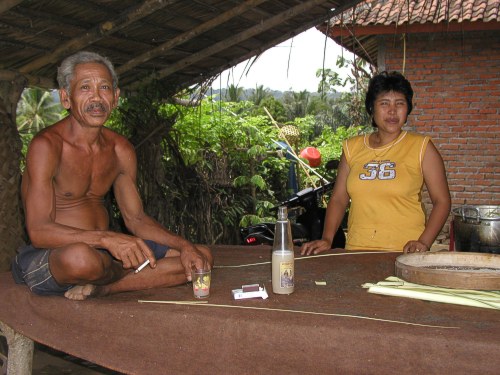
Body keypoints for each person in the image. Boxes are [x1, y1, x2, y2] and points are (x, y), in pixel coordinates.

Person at [11, 51, 213, 300]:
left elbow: (136, 219)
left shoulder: (120, 149)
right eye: (85, 88)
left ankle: (104, 287)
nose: (96, 98)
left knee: (199, 257)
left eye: (104, 88)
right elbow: (39, 231)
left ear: (115, 98)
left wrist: (185, 247)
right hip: (56, 258)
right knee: (82, 259)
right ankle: (121, 272)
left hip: (105, 256)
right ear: (66, 98)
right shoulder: (48, 146)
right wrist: (109, 240)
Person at [301, 71, 450, 255]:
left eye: (400, 104)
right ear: (372, 108)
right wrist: (327, 239)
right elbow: (339, 199)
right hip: (357, 252)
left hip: (406, 253)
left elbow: (442, 201)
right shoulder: (352, 148)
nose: (392, 111)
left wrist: (423, 242)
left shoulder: (422, 147)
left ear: (408, 109)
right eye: (384, 103)